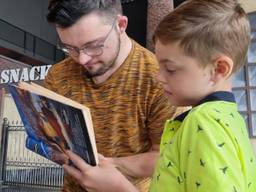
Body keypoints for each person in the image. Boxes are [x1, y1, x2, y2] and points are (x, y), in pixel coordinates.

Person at [62, 0, 256, 191]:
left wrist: (118, 187)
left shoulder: (204, 123)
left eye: (170, 69)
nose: (159, 77)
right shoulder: (230, 119)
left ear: (219, 68)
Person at [45, 0, 185, 191]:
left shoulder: (159, 79)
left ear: (121, 25)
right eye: (70, 48)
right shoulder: (57, 75)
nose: (82, 59)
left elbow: (168, 156)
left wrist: (109, 166)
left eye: (94, 46)